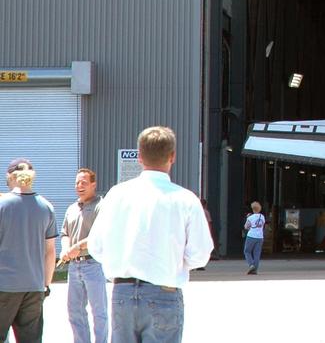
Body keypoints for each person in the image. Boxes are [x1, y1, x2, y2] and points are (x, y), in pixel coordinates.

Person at [88, 126, 214, 342]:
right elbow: (200, 254)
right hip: (164, 292)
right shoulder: (185, 199)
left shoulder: (117, 195)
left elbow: (96, 247)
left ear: (139, 156)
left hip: (123, 293)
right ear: (172, 156)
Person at [0, 159, 57, 343]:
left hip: (4, 286)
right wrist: (46, 285)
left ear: (11, 177)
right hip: (34, 286)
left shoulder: (2, 205)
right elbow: (50, 252)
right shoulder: (46, 207)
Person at [60, 167, 109, 342]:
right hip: (74, 267)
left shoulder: (101, 206)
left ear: (93, 184)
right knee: (75, 311)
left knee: (99, 312)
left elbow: (101, 234)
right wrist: (66, 248)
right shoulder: (72, 208)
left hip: (93, 264)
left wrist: (79, 247)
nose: (79, 186)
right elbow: (64, 233)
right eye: (77, 183)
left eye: (84, 182)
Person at [243, 201, 265, 274]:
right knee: (257, 253)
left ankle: (251, 265)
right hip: (260, 237)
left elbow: (246, 227)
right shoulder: (262, 216)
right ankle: (255, 270)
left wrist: (248, 218)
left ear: (252, 209)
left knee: (247, 251)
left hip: (251, 236)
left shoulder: (250, 217)